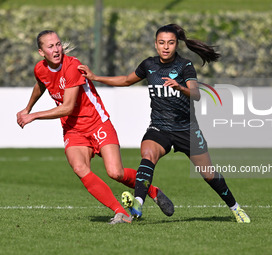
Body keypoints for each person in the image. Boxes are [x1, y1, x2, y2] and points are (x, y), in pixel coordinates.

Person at [78, 24, 250, 223]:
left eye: (170, 43)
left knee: (209, 174)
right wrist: (95, 77)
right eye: (161, 43)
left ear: (176, 45)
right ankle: (138, 204)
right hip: (159, 127)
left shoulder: (184, 66)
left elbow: (196, 94)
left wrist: (180, 87)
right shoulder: (149, 65)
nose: (166, 47)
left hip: (186, 129)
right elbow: (126, 80)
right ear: (155, 44)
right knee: (148, 155)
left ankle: (235, 207)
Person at [16, 30, 174, 225]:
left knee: (116, 173)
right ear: (41, 52)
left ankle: (152, 190)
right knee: (79, 167)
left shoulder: (72, 66)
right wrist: (27, 107)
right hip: (73, 130)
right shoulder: (40, 68)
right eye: (51, 46)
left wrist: (33, 115)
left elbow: (67, 107)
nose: (57, 49)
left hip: (97, 122)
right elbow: (41, 84)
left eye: (58, 44)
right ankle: (120, 212)